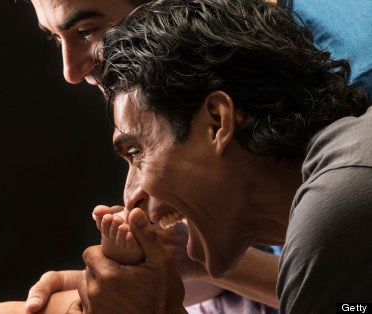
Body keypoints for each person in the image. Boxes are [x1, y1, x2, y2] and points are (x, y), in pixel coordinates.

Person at [22, 0, 371, 312]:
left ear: (218, 121)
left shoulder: (339, 204)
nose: (130, 198)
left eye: (137, 152)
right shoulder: (334, 179)